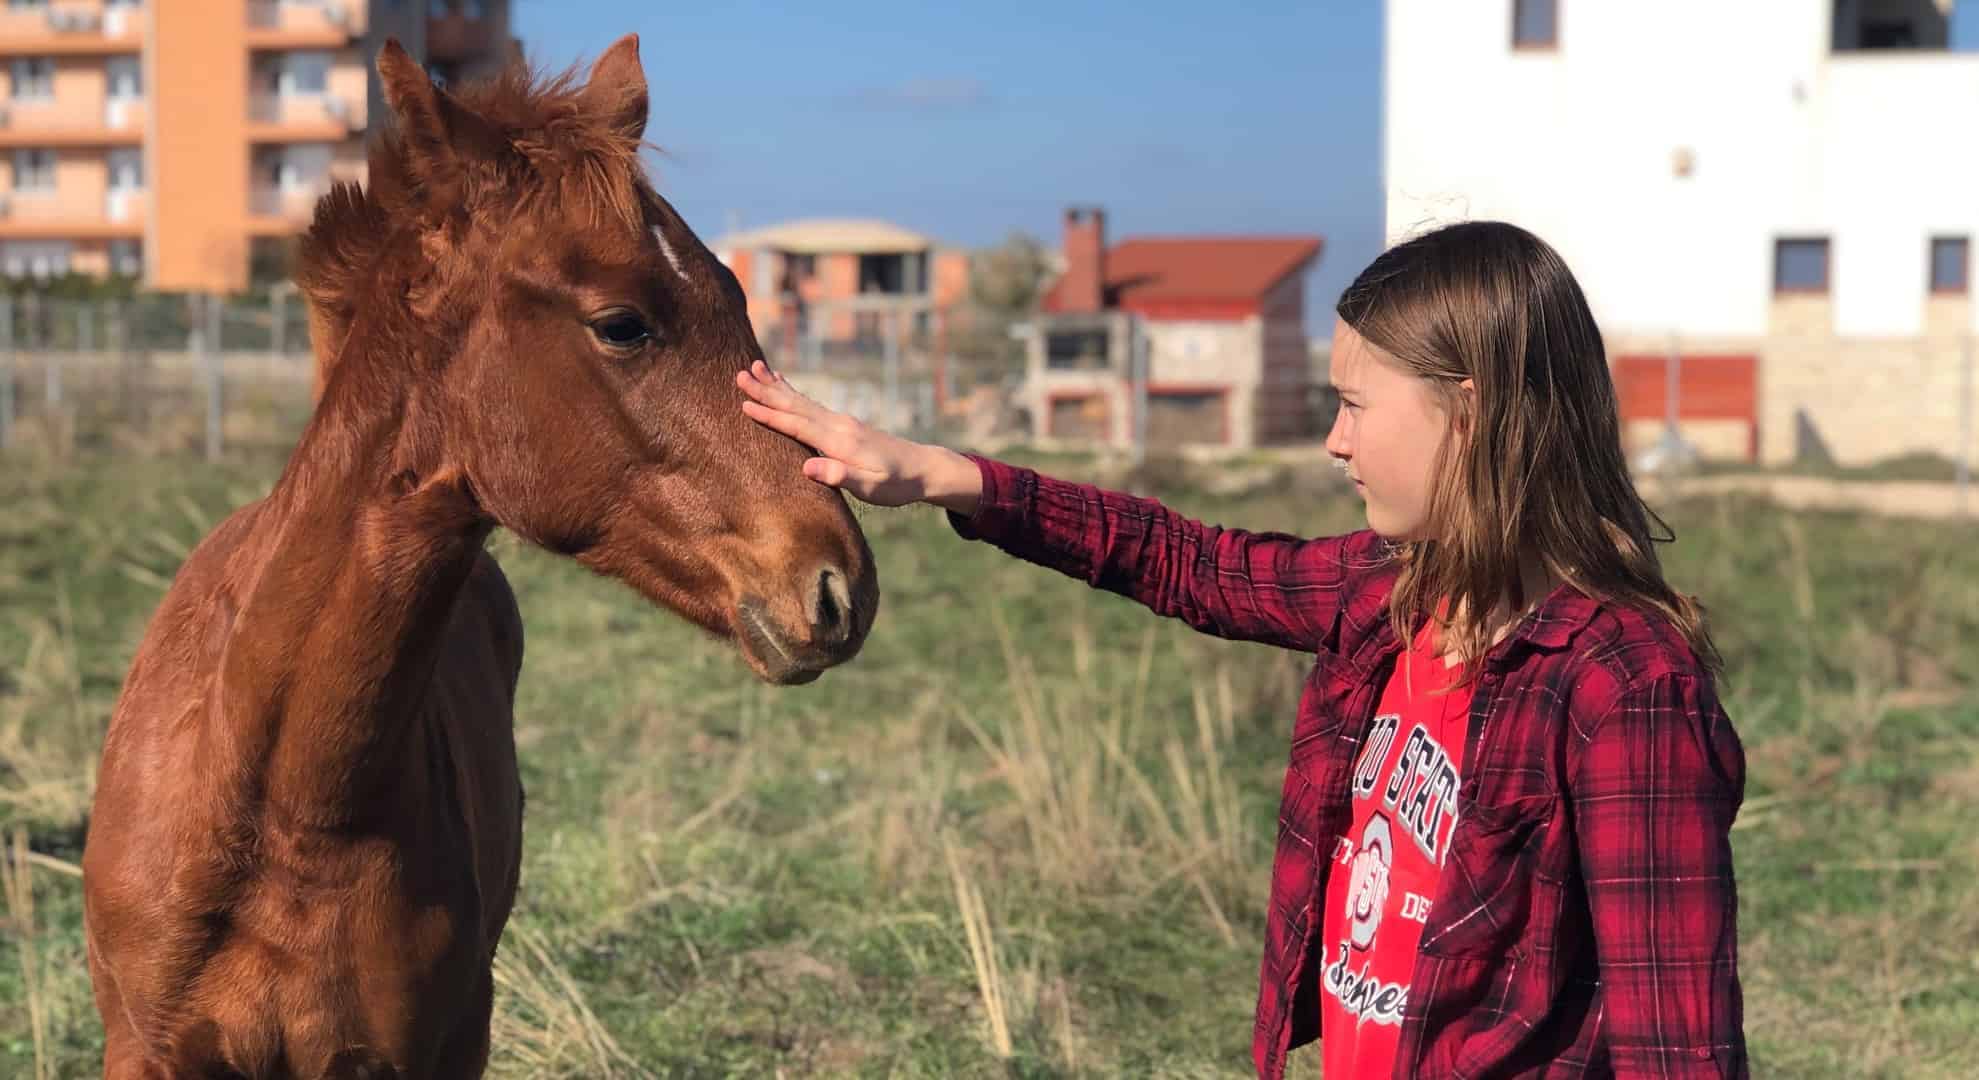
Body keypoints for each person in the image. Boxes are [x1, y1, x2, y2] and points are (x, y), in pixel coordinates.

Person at [737, 220, 1746, 1079]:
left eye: (1353, 405)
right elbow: (1189, 562)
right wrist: (938, 474)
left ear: (1470, 414)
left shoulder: (1623, 685)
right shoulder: (1397, 590)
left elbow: (1679, 1046)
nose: (1333, 442)